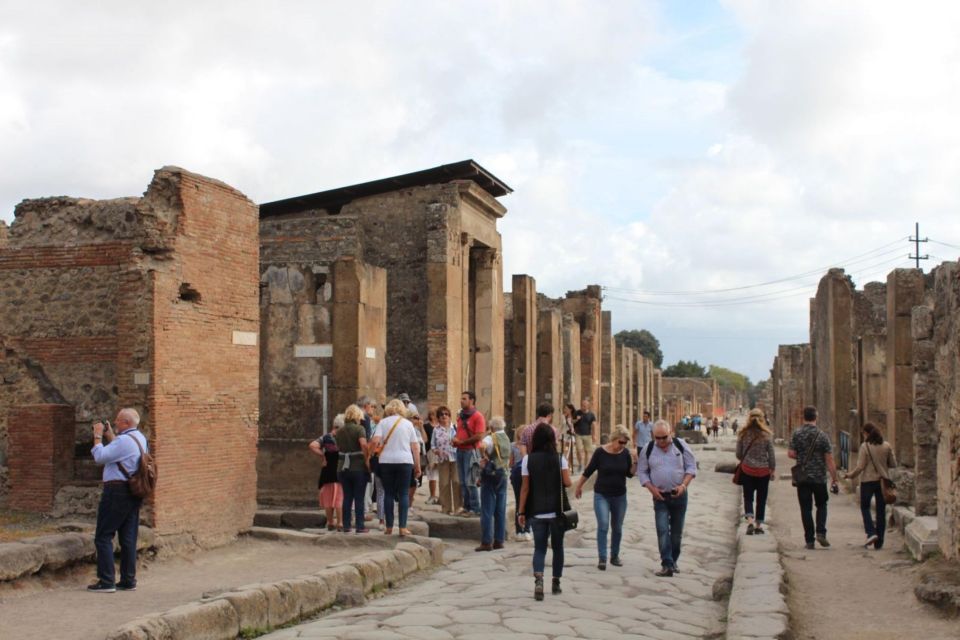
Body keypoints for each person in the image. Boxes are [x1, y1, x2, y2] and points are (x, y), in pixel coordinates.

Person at [88, 408, 148, 593]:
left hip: (117, 491)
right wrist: (110, 435)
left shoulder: (124, 441)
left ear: (127, 423)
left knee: (104, 535)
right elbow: (119, 452)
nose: (115, 422)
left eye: (119, 420)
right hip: (132, 492)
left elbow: (100, 457)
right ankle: (128, 579)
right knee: (128, 537)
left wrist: (97, 436)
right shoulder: (139, 438)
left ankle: (106, 581)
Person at [518, 424, 572, 601]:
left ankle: (539, 580)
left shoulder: (528, 460)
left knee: (539, 548)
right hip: (557, 511)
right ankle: (556, 582)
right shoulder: (560, 459)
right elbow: (567, 482)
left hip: (537, 511)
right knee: (558, 547)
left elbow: (525, 488)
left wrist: (521, 512)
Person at [637, 420, 697, 577]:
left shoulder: (681, 445)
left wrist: (683, 485)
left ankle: (673, 560)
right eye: (658, 438)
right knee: (663, 530)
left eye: (664, 437)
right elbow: (642, 472)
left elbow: (691, 467)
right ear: (653, 436)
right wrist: (651, 488)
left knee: (676, 533)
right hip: (660, 496)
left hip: (679, 494)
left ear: (671, 433)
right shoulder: (648, 449)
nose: (661, 441)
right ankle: (667, 564)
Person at [575, 425, 636, 570]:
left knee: (617, 528)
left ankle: (614, 556)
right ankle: (602, 557)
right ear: (614, 439)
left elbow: (630, 474)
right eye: (620, 442)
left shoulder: (625, 453)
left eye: (625, 443)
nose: (622, 445)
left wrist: (636, 461)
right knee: (603, 524)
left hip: (619, 496)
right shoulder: (600, 452)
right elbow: (589, 471)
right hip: (602, 495)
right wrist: (579, 486)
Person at [788, 406, 840, 550]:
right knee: (822, 505)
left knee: (806, 508)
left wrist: (802, 457)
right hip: (819, 477)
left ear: (803, 417)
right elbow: (829, 459)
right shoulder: (822, 435)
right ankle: (821, 532)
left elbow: (791, 454)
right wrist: (834, 478)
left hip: (803, 477)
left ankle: (809, 540)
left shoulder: (797, 434)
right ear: (816, 417)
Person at [369, 399, 422, 536]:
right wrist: (417, 465)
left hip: (386, 461)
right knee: (403, 493)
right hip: (405, 460)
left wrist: (370, 455)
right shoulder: (408, 424)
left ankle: (389, 527)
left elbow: (375, 441)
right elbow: (415, 446)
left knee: (389, 493)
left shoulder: (383, 423)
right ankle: (403, 527)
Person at [844, 422, 897, 549]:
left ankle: (871, 532)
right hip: (882, 482)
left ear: (867, 433)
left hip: (867, 481)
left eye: (863, 433)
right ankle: (880, 542)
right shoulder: (886, 446)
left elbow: (860, 467)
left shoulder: (865, 446)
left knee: (865, 507)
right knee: (880, 511)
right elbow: (893, 463)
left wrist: (850, 475)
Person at [735, 408, 776, 535]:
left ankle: (750, 522)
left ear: (749, 418)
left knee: (748, 497)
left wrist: (746, 459)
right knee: (761, 499)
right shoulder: (767, 435)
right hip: (763, 471)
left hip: (747, 470)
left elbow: (738, 453)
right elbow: (772, 455)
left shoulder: (743, 434)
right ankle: (758, 525)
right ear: (762, 419)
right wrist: (772, 469)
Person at [476, 416, 511, 551]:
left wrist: (484, 455)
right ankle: (499, 540)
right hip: (503, 472)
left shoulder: (491, 437)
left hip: (491, 473)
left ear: (491, 427)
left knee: (487, 508)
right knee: (500, 508)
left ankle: (486, 541)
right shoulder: (506, 438)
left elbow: (481, 445)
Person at [336, 404, 370, 533]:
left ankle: (346, 525)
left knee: (347, 497)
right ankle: (360, 526)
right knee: (359, 498)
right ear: (357, 416)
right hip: (358, 467)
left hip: (342, 468)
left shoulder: (339, 431)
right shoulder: (359, 429)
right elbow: (363, 445)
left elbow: (338, 447)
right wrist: (367, 459)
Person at [309, 414, 344, 531]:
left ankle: (330, 522)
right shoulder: (343, 437)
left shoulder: (326, 437)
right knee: (339, 497)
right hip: (340, 469)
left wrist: (323, 454)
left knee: (328, 497)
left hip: (327, 470)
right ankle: (340, 523)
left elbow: (313, 445)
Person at [453, 390, 485, 516]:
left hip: (471, 452)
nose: (461, 401)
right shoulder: (461, 416)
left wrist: (462, 442)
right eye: (461, 398)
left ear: (471, 400)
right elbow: (460, 432)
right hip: (460, 451)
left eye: (464, 399)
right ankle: (466, 506)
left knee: (470, 481)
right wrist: (455, 440)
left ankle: (475, 508)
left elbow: (479, 436)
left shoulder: (478, 416)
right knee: (462, 481)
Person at [431, 406, 462, 515]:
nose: (444, 416)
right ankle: (446, 508)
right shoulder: (436, 430)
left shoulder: (456, 427)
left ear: (449, 416)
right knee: (444, 483)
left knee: (457, 482)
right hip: (443, 459)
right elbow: (433, 445)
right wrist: (436, 451)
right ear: (438, 418)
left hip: (455, 457)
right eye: (441, 414)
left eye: (446, 414)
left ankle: (458, 507)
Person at [509, 424, 532, 540]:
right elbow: (511, 462)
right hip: (517, 474)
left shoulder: (529, 445)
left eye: (525, 432)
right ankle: (519, 530)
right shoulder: (512, 445)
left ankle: (527, 529)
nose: (522, 433)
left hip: (527, 474)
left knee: (528, 501)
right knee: (519, 501)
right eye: (521, 431)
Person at [407, 410, 428, 509]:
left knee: (415, 481)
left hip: (418, 456)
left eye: (418, 418)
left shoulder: (417, 430)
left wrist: (421, 427)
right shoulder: (407, 428)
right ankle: (408, 503)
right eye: (415, 418)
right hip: (410, 456)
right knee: (411, 481)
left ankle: (410, 501)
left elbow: (425, 440)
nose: (418, 420)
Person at [573, 399, 598, 471]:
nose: (582, 407)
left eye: (584, 405)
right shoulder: (577, 413)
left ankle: (586, 466)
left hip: (588, 435)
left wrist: (594, 435)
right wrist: (576, 419)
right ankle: (580, 464)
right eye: (582, 405)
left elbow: (594, 425)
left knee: (587, 451)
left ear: (588, 406)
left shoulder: (591, 415)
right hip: (578, 434)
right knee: (579, 449)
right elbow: (572, 422)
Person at [424, 410, 439, 504]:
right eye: (431, 414)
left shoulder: (441, 426)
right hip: (431, 451)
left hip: (440, 451)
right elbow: (426, 440)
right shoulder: (426, 426)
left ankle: (441, 497)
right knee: (432, 474)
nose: (432, 415)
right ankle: (432, 495)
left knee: (442, 475)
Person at [560, 403, 577, 470]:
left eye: (566, 409)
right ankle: (565, 466)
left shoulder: (574, 416)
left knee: (570, 451)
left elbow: (575, 426)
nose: (565, 410)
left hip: (571, 436)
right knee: (565, 450)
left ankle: (569, 465)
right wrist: (558, 434)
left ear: (570, 409)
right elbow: (562, 426)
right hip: (564, 436)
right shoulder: (563, 416)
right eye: (564, 408)